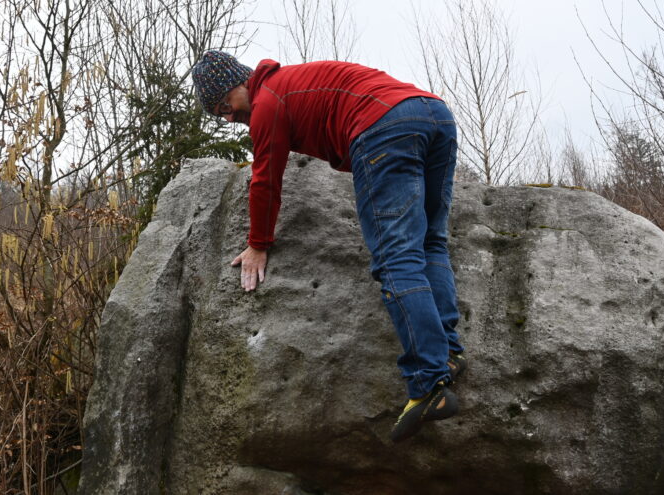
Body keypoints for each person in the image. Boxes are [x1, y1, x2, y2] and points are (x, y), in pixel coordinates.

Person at [191, 50, 466, 443]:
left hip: (384, 127)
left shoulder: (268, 100)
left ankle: (428, 384)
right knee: (430, 242)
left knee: (396, 258)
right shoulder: (290, 84)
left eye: (224, 106)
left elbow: (265, 179)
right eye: (220, 115)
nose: (230, 117)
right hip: (434, 114)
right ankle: (448, 355)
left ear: (239, 82)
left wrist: (258, 244)